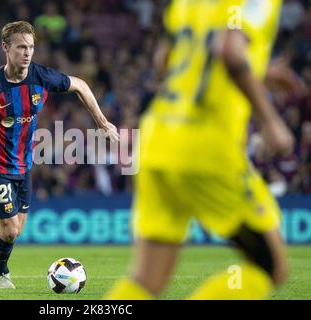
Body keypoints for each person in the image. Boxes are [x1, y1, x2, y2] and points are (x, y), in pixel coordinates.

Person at [105, 0, 294, 299]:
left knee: (146, 280)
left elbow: (163, 62)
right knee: (271, 267)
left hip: (158, 138)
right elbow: (229, 49)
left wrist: (257, 69)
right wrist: (270, 120)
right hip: (205, 146)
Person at [0, 21, 119, 289]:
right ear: (6, 48)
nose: (27, 53)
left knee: (14, 227)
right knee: (9, 230)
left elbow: (81, 86)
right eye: (21, 47)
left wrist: (102, 122)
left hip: (23, 163)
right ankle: (1, 275)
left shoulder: (41, 76)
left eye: (31, 47)